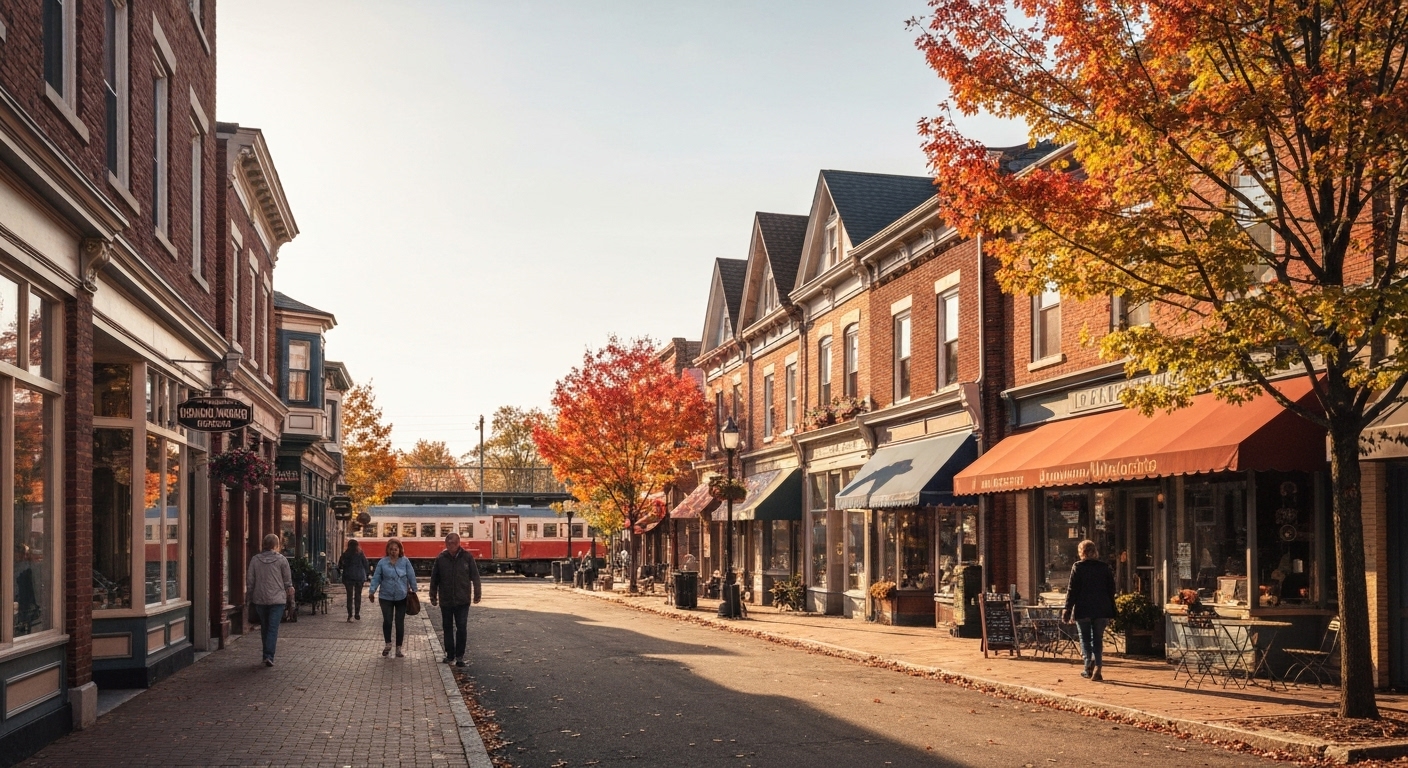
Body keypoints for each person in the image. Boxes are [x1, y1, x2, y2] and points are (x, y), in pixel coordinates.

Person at [1063, 539, 1118, 681]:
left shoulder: (1078, 567)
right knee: (1097, 639)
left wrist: (1067, 609)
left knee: (1085, 639)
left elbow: (1072, 590)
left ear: (1082, 553)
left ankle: (1088, 666)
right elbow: (1111, 589)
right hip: (1102, 609)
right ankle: (1098, 665)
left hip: (1083, 608)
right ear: (1095, 551)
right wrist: (1112, 609)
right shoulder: (1104, 567)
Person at [428, 532, 481, 667]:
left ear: (459, 543)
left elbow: (475, 576)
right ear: (446, 544)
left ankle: (460, 656)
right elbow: (435, 578)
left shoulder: (467, 557)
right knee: (447, 627)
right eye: (448, 543)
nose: (451, 545)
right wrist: (433, 595)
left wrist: (477, 594)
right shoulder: (441, 558)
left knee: (461, 627)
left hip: (462, 599)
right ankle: (450, 654)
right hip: (446, 599)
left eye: (453, 543)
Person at [247, 533, 294, 667]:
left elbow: (250, 580)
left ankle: (265, 654)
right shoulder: (282, 560)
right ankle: (269, 656)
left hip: (260, 598)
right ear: (276, 545)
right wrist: (289, 591)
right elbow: (287, 580)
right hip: (277, 600)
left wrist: (250, 597)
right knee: (273, 628)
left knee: (265, 627)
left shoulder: (255, 560)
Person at [368, 538, 417, 658]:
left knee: (399, 622)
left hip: (401, 596)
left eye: (395, 549)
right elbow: (376, 577)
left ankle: (399, 648)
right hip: (385, 596)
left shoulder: (405, 562)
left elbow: (411, 575)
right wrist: (372, 591)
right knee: (387, 621)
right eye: (391, 549)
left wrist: (414, 590)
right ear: (387, 550)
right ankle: (388, 644)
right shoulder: (382, 562)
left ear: (400, 550)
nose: (393, 551)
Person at [338, 539, 370, 622]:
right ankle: (357, 613)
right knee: (358, 595)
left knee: (349, 596)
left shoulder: (345, 554)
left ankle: (350, 615)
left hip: (348, 577)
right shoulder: (360, 554)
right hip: (359, 577)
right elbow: (366, 564)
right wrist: (366, 574)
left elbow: (340, 566)